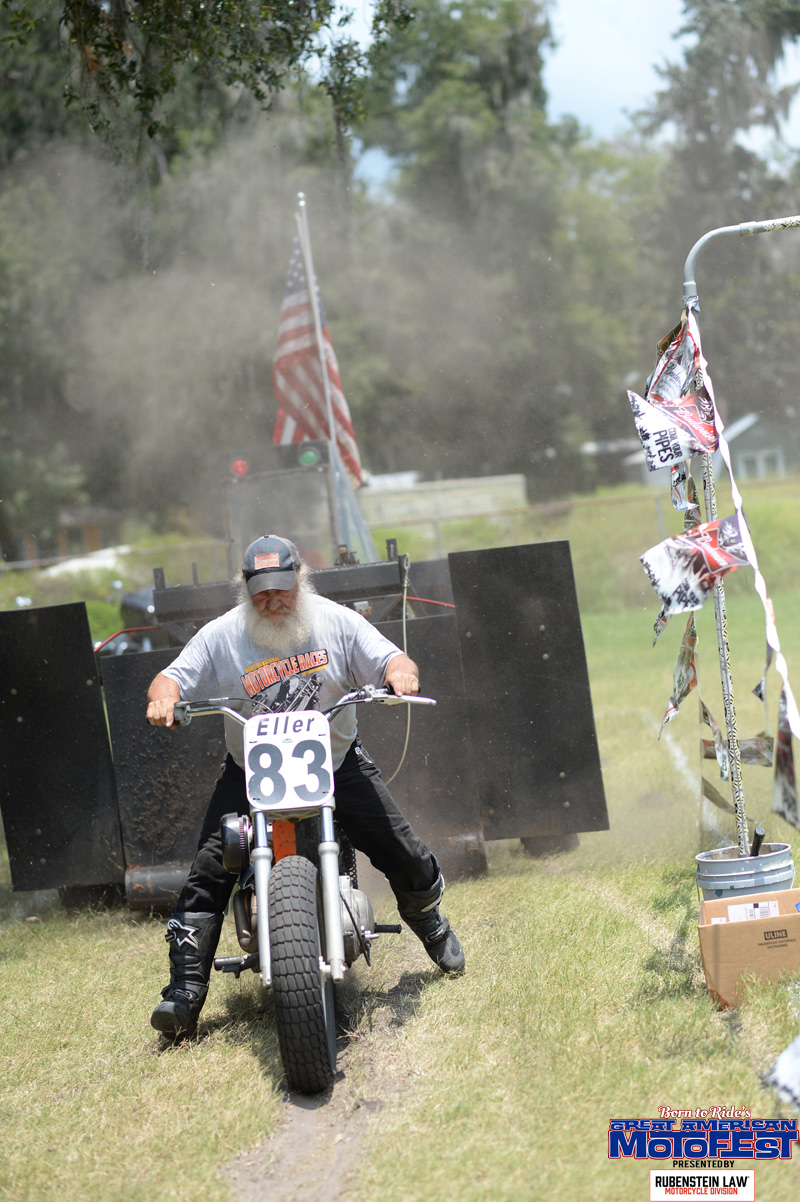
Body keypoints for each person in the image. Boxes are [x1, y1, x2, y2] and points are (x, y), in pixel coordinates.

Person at [146, 533, 465, 1037]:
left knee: (400, 846)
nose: (273, 602)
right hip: (252, 773)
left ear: (301, 578)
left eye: (282, 589)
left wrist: (400, 675)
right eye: (261, 594)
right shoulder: (221, 635)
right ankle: (183, 993)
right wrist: (163, 698)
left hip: (335, 764)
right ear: (245, 588)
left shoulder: (336, 622)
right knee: (208, 870)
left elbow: (392, 659)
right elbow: (170, 678)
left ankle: (429, 921)